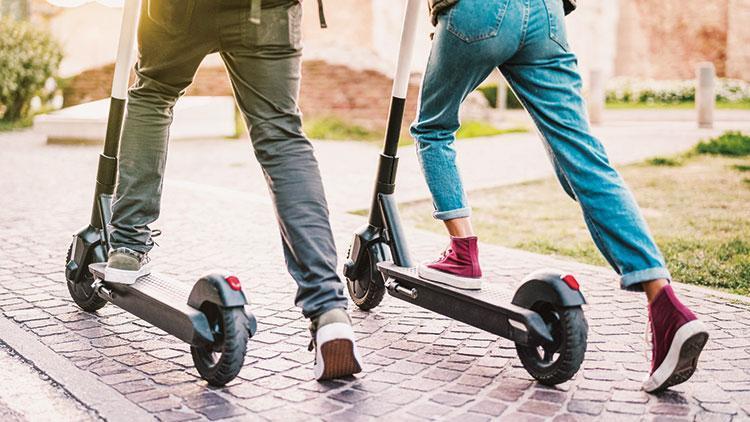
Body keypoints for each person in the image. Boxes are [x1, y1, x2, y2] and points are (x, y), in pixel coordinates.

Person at [413, 0, 708, 392]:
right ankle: (665, 302)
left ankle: (463, 254)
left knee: (433, 129)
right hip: (544, 13)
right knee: (582, 156)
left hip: (477, 11)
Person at [103, 0, 361, 381]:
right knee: (281, 134)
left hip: (178, 9)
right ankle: (328, 309)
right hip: (267, 9)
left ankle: (126, 248)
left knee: (153, 93)